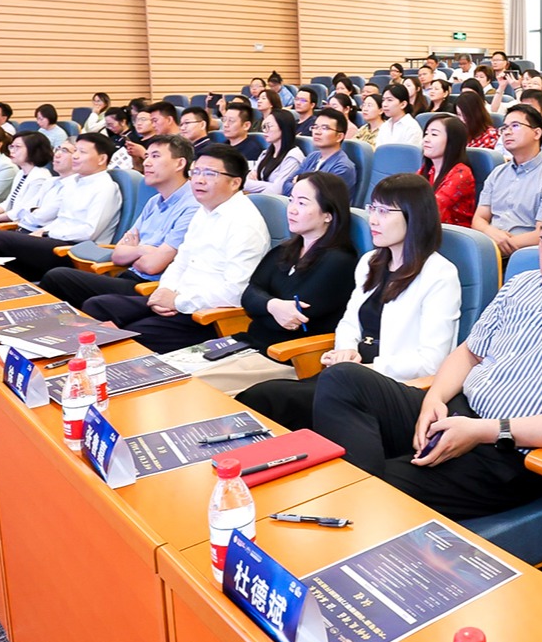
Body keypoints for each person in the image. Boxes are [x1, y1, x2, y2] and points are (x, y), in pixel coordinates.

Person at [311, 183, 542, 520]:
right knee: (343, 379)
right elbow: (469, 353)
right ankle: (362, 493)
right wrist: (434, 399)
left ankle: (362, 498)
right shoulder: (523, 285)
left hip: (509, 452)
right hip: (458, 413)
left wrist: (485, 430)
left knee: (373, 487)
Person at [238, 174, 464, 429]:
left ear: (414, 216)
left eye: (384, 211)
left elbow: (431, 361)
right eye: (372, 208)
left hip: (390, 387)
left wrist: (364, 368)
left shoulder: (439, 275)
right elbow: (349, 323)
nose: (373, 219)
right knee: (261, 398)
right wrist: (346, 350)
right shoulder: (371, 262)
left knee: (267, 399)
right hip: (347, 376)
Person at [176, 172, 360, 395]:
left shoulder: (339, 261)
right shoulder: (286, 250)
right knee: (167, 369)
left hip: (282, 357)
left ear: (328, 214)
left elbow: (290, 320)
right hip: (247, 344)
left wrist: (263, 305)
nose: (291, 209)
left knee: (186, 389)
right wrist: (273, 306)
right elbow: (248, 295)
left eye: (302, 203)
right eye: (291, 200)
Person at [80, 145, 270, 352]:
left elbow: (236, 292)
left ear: (235, 182)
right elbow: (180, 262)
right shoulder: (205, 211)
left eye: (210, 174)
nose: (199, 180)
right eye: (196, 171)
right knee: (97, 306)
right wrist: (165, 290)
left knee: (132, 335)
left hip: (206, 316)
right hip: (177, 299)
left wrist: (178, 302)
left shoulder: (244, 223)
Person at [39, 135, 200, 305]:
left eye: (155, 156)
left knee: (60, 279)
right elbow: (118, 255)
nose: (146, 163)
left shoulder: (193, 206)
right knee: (59, 279)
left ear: (179, 164)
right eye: (146, 156)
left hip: (148, 288)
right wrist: (143, 250)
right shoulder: (154, 201)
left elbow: (152, 265)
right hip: (128, 275)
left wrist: (135, 250)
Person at [0, 133, 123, 280]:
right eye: (75, 151)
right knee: (8, 263)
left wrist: (49, 233)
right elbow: (61, 219)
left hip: (76, 251)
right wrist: (43, 231)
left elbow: (88, 232)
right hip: (56, 241)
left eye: (82, 152)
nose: (75, 156)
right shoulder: (75, 182)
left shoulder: (105, 187)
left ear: (101, 159)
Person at [471, 105, 542, 257]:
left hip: (523, 255)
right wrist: (491, 233)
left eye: (515, 126)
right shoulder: (497, 173)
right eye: (504, 128)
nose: (507, 132)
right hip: (489, 249)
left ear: (537, 133)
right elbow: (479, 219)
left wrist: (504, 244)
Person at [288, 108, 360, 197]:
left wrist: (299, 181)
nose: (317, 132)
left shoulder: (343, 167)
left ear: (339, 136)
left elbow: (321, 199)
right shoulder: (312, 156)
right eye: (315, 127)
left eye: (325, 128)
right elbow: (286, 185)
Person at [420, 114, 477, 226]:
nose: (426, 139)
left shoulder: (461, 174)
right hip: (429, 228)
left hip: (452, 233)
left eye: (434, 134)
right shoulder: (429, 169)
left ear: (452, 141)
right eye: (426, 134)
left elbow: (432, 209)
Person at [245, 109, 305, 196]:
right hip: (261, 198)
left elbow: (278, 190)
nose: (265, 130)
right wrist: (271, 185)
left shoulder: (293, 157)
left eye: (269, 126)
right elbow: (246, 183)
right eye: (264, 127)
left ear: (283, 127)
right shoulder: (266, 153)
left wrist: (254, 191)